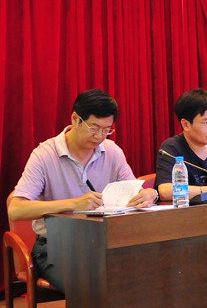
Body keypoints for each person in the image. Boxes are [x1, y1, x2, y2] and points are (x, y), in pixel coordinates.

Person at [8, 89, 159, 293]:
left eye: (106, 130)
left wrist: (148, 195)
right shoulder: (44, 155)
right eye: (93, 128)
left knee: (146, 273)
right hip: (56, 246)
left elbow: (133, 191)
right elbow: (16, 209)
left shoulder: (112, 151)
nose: (99, 136)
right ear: (75, 119)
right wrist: (74, 204)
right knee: (91, 284)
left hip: (104, 242)